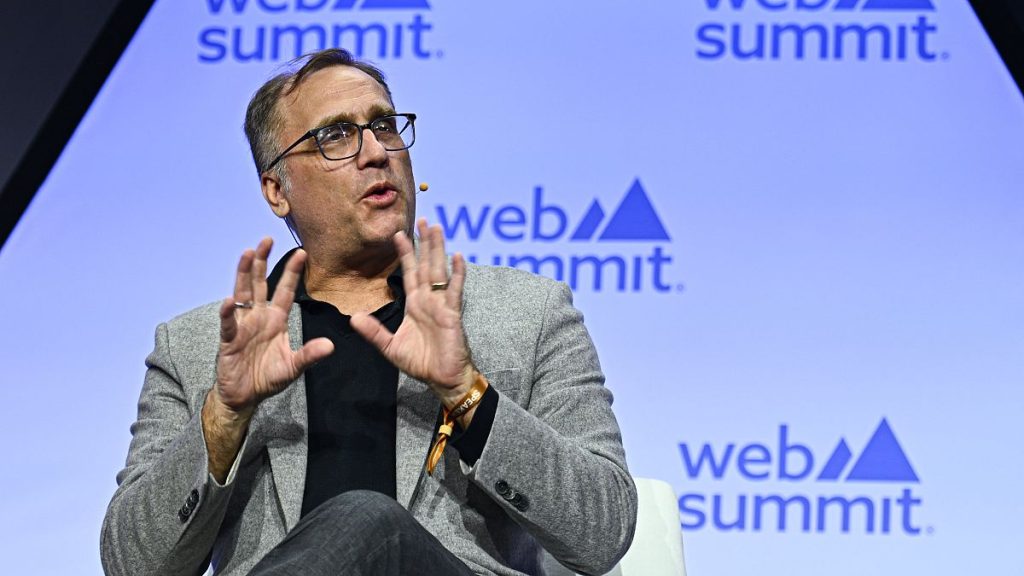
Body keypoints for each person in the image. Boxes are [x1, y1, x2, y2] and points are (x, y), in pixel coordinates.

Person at [101, 48, 636, 576]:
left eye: (384, 125)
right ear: (276, 189)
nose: (376, 152)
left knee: (370, 519)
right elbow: (132, 566)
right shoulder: (199, 347)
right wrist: (223, 419)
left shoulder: (527, 312)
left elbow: (604, 530)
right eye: (335, 134)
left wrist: (469, 394)